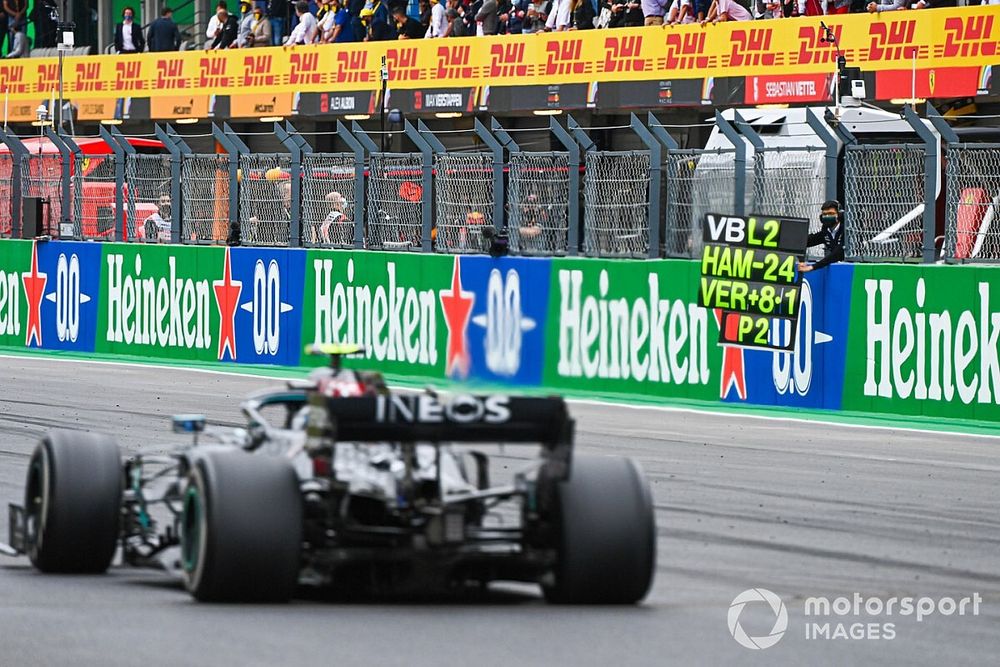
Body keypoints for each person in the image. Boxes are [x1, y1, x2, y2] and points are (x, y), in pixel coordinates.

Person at [798, 200, 845, 273]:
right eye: (824, 214)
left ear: (839, 215)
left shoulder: (846, 229)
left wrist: (812, 267)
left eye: (831, 213)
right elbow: (810, 240)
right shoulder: (825, 229)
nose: (827, 216)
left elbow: (837, 254)